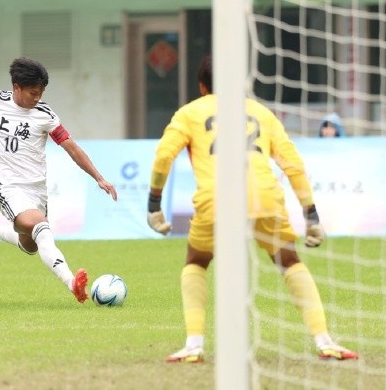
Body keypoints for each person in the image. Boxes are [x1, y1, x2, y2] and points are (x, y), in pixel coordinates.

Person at [147, 55, 358, 363]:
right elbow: (292, 164)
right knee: (289, 261)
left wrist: (154, 203)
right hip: (264, 197)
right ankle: (324, 340)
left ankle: (193, 345)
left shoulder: (189, 113)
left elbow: (164, 155)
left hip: (216, 198)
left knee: (197, 261)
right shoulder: (261, 113)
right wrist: (311, 215)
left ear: (202, 86)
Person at [0, 57, 118, 303]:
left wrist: (99, 178)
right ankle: (72, 284)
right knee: (42, 229)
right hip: (8, 187)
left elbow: (72, 148)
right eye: (33, 92)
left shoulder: (45, 114)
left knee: (31, 246)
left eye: (41, 92)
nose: (37, 98)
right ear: (17, 87)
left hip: (37, 190)